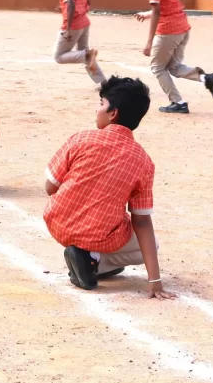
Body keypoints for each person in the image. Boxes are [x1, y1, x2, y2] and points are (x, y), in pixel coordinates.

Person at [43, 76, 175, 300]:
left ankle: (89, 259)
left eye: (101, 103)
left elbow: (50, 187)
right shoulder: (143, 160)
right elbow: (141, 220)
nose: (98, 109)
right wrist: (155, 280)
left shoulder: (81, 139)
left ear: (113, 113)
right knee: (152, 243)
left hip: (59, 222)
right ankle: (94, 260)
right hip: (100, 235)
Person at [135, 0, 213, 114]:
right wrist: (147, 14)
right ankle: (206, 78)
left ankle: (178, 102)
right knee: (174, 67)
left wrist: (149, 42)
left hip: (168, 31)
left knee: (158, 68)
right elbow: (167, 5)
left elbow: (159, 10)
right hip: (182, 28)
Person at [52, 0, 106, 86]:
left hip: (74, 24)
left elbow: (70, 4)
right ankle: (104, 83)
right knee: (86, 54)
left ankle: (88, 54)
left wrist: (68, 28)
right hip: (84, 22)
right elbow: (87, 0)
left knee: (59, 57)